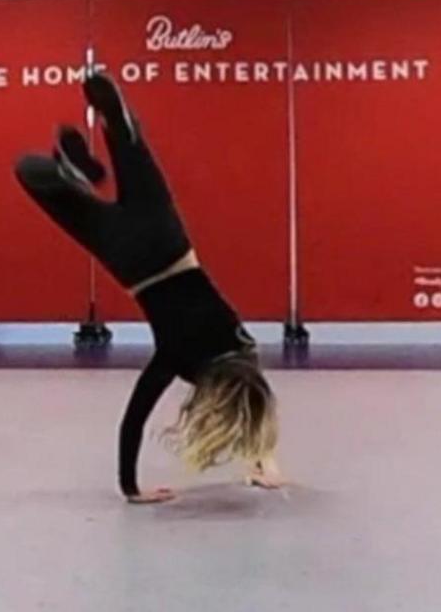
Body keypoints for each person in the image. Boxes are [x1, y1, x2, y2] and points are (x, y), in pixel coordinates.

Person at [14, 74, 283, 504]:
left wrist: (266, 460)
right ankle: (70, 182)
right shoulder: (178, 359)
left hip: (168, 240)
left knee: (131, 147)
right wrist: (131, 489)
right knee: (27, 170)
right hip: (128, 260)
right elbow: (133, 421)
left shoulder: (241, 343)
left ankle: (116, 125)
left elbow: (254, 395)